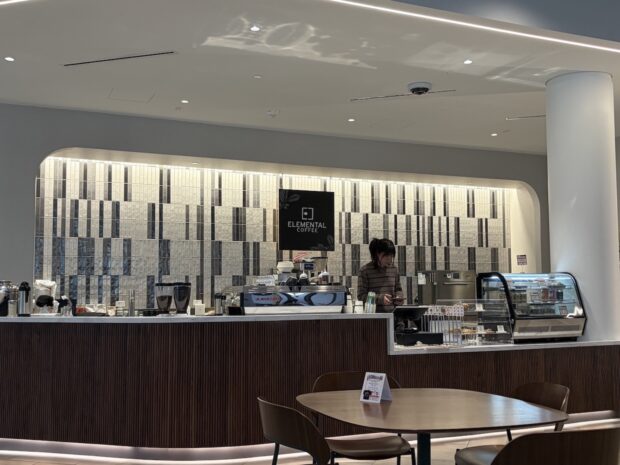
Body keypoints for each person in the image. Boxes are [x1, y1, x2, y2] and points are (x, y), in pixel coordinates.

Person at [357, 238, 404, 313]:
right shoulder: (365, 271)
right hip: (374, 316)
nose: (390, 259)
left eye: (392, 255)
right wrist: (380, 299)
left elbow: (398, 289)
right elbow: (361, 297)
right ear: (377, 254)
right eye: (387, 255)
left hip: (392, 315)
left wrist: (399, 297)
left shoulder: (394, 269)